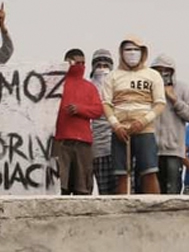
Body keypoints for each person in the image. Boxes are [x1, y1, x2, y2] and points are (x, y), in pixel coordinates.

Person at [101, 36, 166, 195]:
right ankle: (123, 209)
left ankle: (154, 208)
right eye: (128, 50)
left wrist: (143, 121)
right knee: (121, 174)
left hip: (144, 128)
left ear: (143, 52)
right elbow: (106, 103)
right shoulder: (112, 76)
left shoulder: (152, 75)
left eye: (136, 50)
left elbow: (160, 103)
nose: (132, 53)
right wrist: (115, 125)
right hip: (120, 129)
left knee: (149, 171)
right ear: (121, 53)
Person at [54, 49, 103, 196]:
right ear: (67, 62)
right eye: (77, 62)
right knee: (60, 186)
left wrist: (80, 109)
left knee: (82, 187)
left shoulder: (89, 87)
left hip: (83, 142)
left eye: (83, 63)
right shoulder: (56, 85)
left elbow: (98, 110)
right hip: (61, 141)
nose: (81, 66)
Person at [150, 54, 189, 195]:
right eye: (158, 70)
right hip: (152, 151)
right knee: (152, 195)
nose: (162, 73)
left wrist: (175, 100)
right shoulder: (148, 89)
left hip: (174, 151)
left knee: (172, 193)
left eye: (166, 70)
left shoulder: (183, 88)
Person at [88, 50, 115, 195]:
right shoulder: (88, 87)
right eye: (99, 65)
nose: (102, 68)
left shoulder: (118, 86)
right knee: (104, 193)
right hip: (97, 149)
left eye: (106, 65)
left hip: (118, 147)